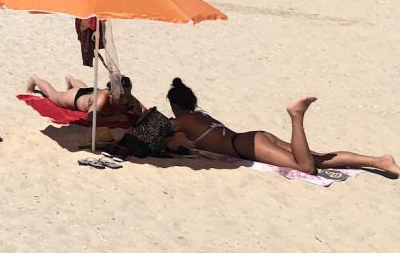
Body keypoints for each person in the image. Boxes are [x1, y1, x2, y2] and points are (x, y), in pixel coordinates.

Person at [164, 78, 397, 177]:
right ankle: (377, 161)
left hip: (244, 146)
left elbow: (166, 140)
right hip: (254, 137)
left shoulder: (182, 121)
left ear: (175, 105)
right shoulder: (200, 115)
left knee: (305, 167)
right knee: (313, 158)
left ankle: (296, 117)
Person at [26, 74, 145, 119]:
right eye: (122, 96)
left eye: (128, 94)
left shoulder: (129, 98)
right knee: (53, 94)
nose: (126, 99)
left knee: (86, 88)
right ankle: (34, 79)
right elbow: (91, 117)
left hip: (92, 92)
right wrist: (117, 118)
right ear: (112, 93)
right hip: (76, 98)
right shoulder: (103, 98)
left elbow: (146, 113)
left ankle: (71, 79)